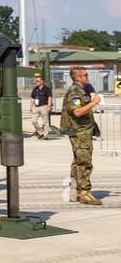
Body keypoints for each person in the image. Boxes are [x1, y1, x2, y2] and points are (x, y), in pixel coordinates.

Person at [60, 67, 102, 205]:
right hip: (80, 132)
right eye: (85, 74)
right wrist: (94, 102)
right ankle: (84, 193)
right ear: (77, 77)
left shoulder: (82, 90)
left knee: (78, 162)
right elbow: (77, 112)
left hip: (83, 132)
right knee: (84, 163)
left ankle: (76, 191)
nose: (87, 76)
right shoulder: (75, 92)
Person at [30, 73, 52, 139]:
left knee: (45, 122)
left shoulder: (46, 89)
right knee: (33, 121)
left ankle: (46, 135)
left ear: (42, 81)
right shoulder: (35, 89)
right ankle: (41, 132)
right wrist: (31, 107)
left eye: (38, 81)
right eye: (36, 81)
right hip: (36, 107)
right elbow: (32, 98)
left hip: (44, 106)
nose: (36, 82)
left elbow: (49, 97)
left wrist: (49, 106)